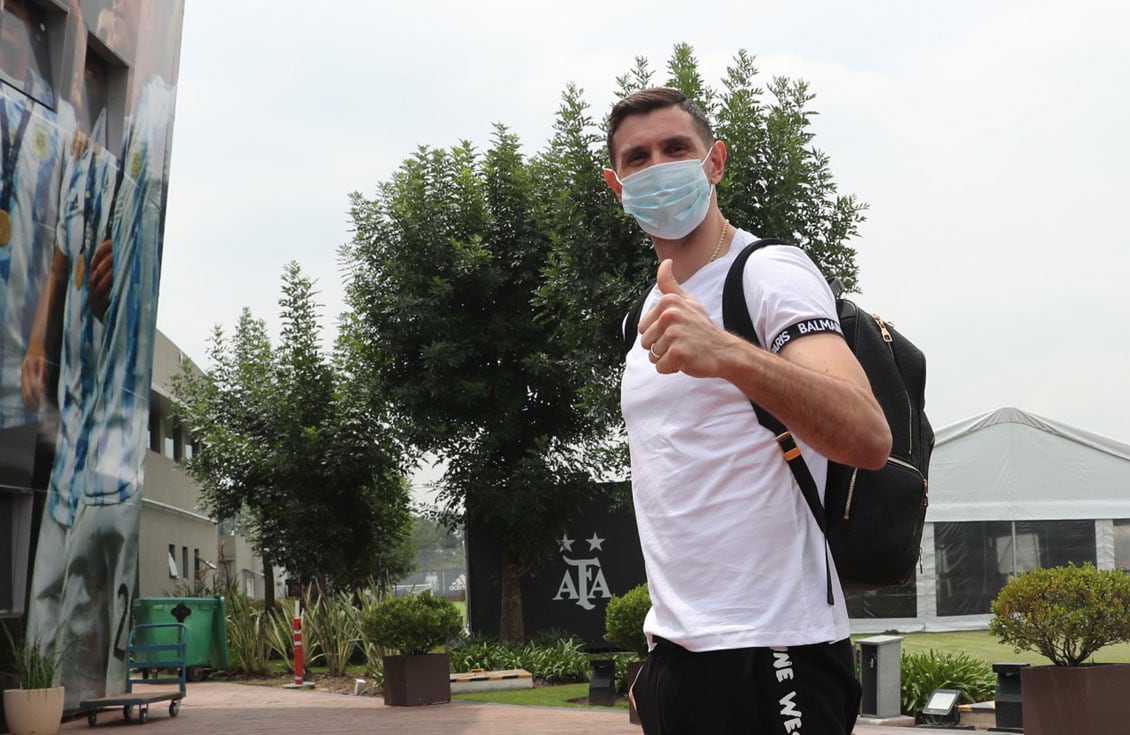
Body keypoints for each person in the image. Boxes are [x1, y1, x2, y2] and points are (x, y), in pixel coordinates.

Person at [604, 87, 892, 734]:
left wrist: (728, 354)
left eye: (676, 148)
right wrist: (660, 665)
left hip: (777, 650)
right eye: (637, 157)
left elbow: (868, 431)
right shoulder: (641, 318)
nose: (657, 167)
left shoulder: (768, 274)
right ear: (615, 184)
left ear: (715, 162)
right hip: (677, 662)